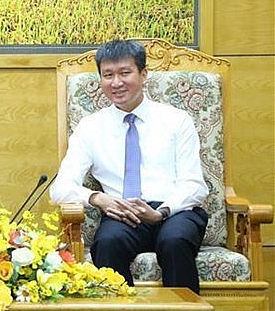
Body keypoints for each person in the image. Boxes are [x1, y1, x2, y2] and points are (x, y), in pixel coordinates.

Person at [49, 39, 209, 294]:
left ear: (143, 74)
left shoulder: (176, 120)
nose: (116, 83)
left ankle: (185, 309)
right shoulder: (90, 127)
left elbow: (194, 185)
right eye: (108, 75)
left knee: (174, 241)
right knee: (107, 242)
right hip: (123, 213)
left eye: (125, 73)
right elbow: (60, 188)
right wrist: (99, 199)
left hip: (174, 211)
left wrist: (161, 212)